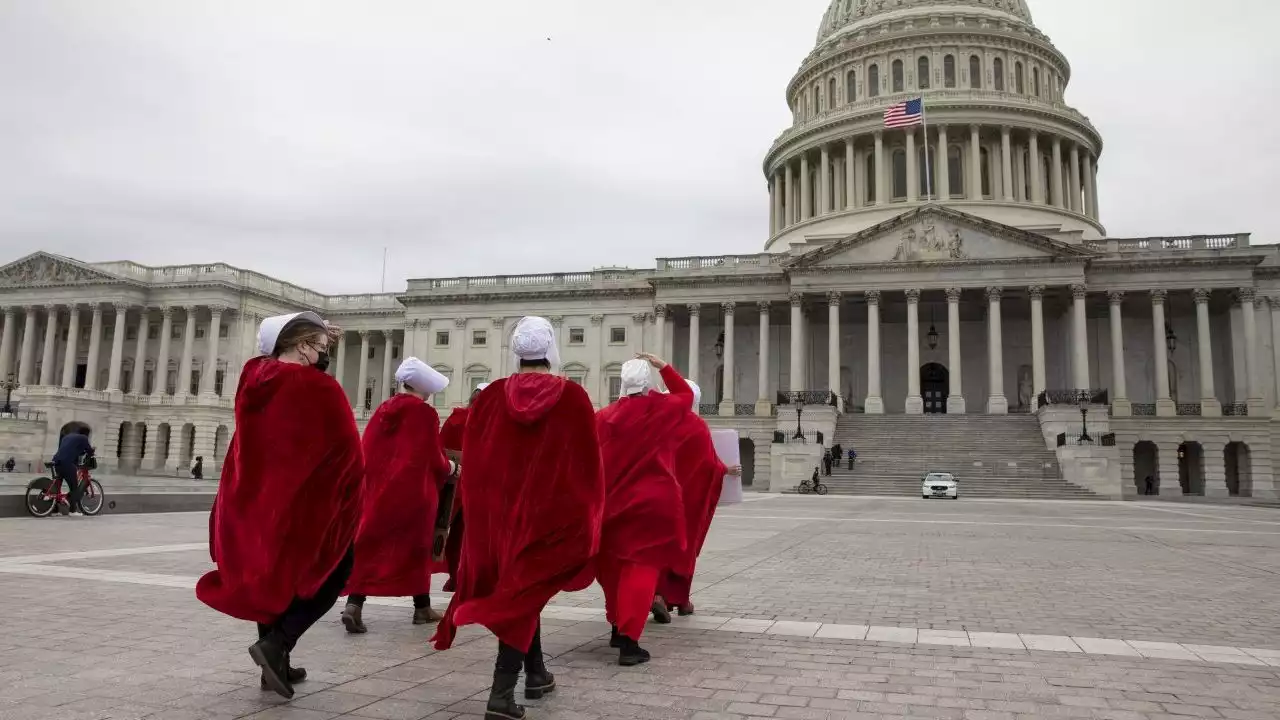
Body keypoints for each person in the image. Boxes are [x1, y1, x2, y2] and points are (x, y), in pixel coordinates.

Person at [433, 316, 604, 720]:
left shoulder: (490, 396)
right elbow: (587, 466)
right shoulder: (573, 397)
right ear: (550, 351)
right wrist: (589, 517)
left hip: (500, 516)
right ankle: (501, 693)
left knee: (522, 590)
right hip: (548, 517)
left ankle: (538, 673)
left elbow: (477, 460)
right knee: (522, 593)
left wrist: (480, 515)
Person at [196, 312, 363, 700]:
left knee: (268, 579)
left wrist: (315, 329)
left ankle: (276, 666)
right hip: (304, 507)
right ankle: (277, 645)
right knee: (337, 572)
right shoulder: (319, 388)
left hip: (252, 500)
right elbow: (347, 454)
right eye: (320, 348)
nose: (325, 355)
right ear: (302, 346)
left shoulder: (253, 380)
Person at [342, 358, 457, 634]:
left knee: (370, 548)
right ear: (423, 389)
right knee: (417, 550)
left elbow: (365, 450)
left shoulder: (383, 409)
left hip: (378, 493)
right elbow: (432, 458)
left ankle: (354, 605)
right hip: (415, 495)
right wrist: (453, 467)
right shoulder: (425, 414)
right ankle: (421, 609)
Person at [595, 353, 694, 666]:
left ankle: (615, 626)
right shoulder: (662, 409)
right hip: (652, 503)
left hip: (612, 503)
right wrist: (664, 365)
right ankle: (629, 641)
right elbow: (686, 395)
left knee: (613, 569)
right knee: (642, 569)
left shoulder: (605, 416)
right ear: (650, 384)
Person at [653, 381, 741, 620]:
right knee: (686, 548)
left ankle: (658, 595)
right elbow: (709, 464)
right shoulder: (696, 425)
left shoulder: (658, 425)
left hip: (659, 499)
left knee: (659, 547)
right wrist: (726, 470)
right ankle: (680, 600)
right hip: (688, 502)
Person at [439, 382, 488, 592]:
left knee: (450, 533)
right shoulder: (488, 422)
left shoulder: (456, 419)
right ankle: (465, 578)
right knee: (469, 536)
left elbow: (441, 446)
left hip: (453, 482)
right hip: (478, 486)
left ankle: (453, 577)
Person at [52, 422, 93, 516]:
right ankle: (73, 510)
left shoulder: (67, 437)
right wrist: (92, 452)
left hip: (56, 461)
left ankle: (55, 510)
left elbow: (68, 450)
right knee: (74, 487)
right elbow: (89, 451)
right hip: (66, 463)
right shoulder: (83, 438)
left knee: (57, 488)